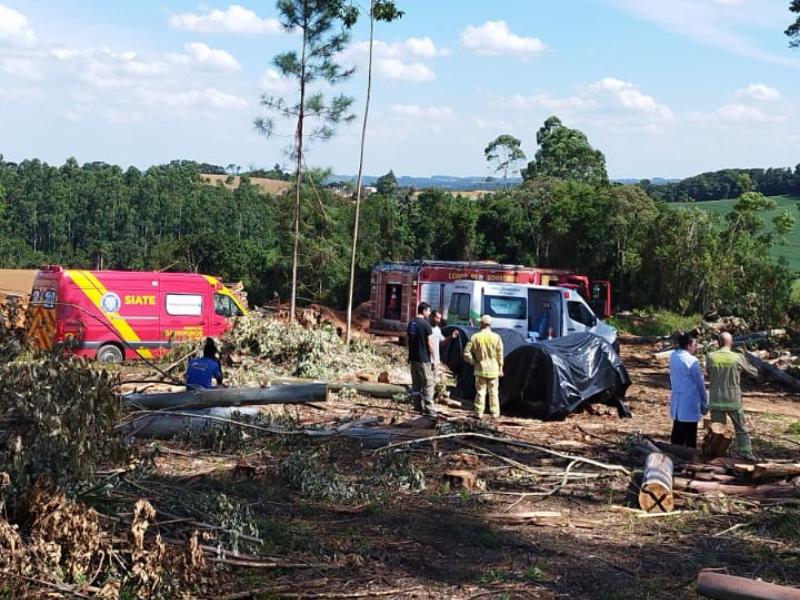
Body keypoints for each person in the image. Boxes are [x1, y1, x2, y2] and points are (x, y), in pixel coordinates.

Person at [707, 332, 759, 460]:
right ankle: (746, 452)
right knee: (741, 428)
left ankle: (718, 452)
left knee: (717, 430)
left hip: (716, 399)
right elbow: (754, 372)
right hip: (733, 399)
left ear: (719, 343)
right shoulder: (737, 357)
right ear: (731, 343)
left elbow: (709, 372)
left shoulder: (711, 356)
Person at [668, 332, 708, 448]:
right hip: (689, 400)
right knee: (690, 434)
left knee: (677, 430)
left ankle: (674, 453)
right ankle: (689, 457)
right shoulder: (692, 361)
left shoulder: (674, 356)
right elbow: (700, 383)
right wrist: (705, 399)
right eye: (695, 344)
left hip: (678, 398)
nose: (696, 347)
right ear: (689, 345)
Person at [463, 315, 504, 419]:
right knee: (494, 393)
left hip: (480, 369)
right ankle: (495, 413)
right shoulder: (497, 337)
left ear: (482, 324)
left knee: (481, 392)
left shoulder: (475, 337)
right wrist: (500, 368)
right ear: (490, 324)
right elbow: (500, 354)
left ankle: (479, 413)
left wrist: (473, 362)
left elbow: (466, 353)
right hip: (494, 370)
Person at [407, 302, 436, 417]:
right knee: (428, 383)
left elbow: (408, 341)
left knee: (416, 383)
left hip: (413, 358)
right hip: (424, 359)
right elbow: (429, 343)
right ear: (424, 311)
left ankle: (417, 406)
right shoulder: (426, 325)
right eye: (428, 311)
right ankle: (429, 409)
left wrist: (410, 355)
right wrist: (434, 359)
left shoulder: (411, 323)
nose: (429, 313)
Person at [429, 310, 445, 400]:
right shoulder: (428, 328)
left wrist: (451, 337)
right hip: (429, 359)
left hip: (436, 360)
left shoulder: (438, 329)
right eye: (437, 318)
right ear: (432, 317)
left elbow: (442, 340)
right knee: (428, 380)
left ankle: (431, 398)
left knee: (434, 380)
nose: (439, 320)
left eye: (440, 318)